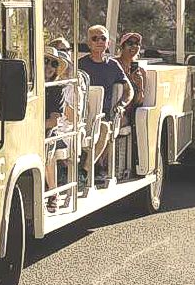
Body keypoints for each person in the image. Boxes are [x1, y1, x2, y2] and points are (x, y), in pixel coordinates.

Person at [78, 25, 133, 188]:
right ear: (89, 43)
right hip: (81, 116)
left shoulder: (114, 66)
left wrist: (121, 105)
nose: (99, 42)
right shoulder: (80, 65)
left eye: (103, 38)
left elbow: (128, 90)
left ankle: (85, 172)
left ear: (108, 43)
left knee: (102, 128)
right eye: (95, 39)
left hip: (104, 117)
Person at [43, 46, 77, 212]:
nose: (49, 66)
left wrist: (34, 128)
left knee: (46, 144)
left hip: (47, 132)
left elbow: (54, 121)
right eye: (45, 61)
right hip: (22, 130)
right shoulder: (26, 85)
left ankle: (53, 192)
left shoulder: (58, 89)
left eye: (54, 63)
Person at [115, 32, 147, 168]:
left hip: (128, 113)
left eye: (137, 44)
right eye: (130, 43)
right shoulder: (114, 64)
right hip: (113, 108)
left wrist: (139, 85)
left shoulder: (141, 71)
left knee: (120, 122)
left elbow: (139, 101)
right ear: (122, 46)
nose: (134, 46)